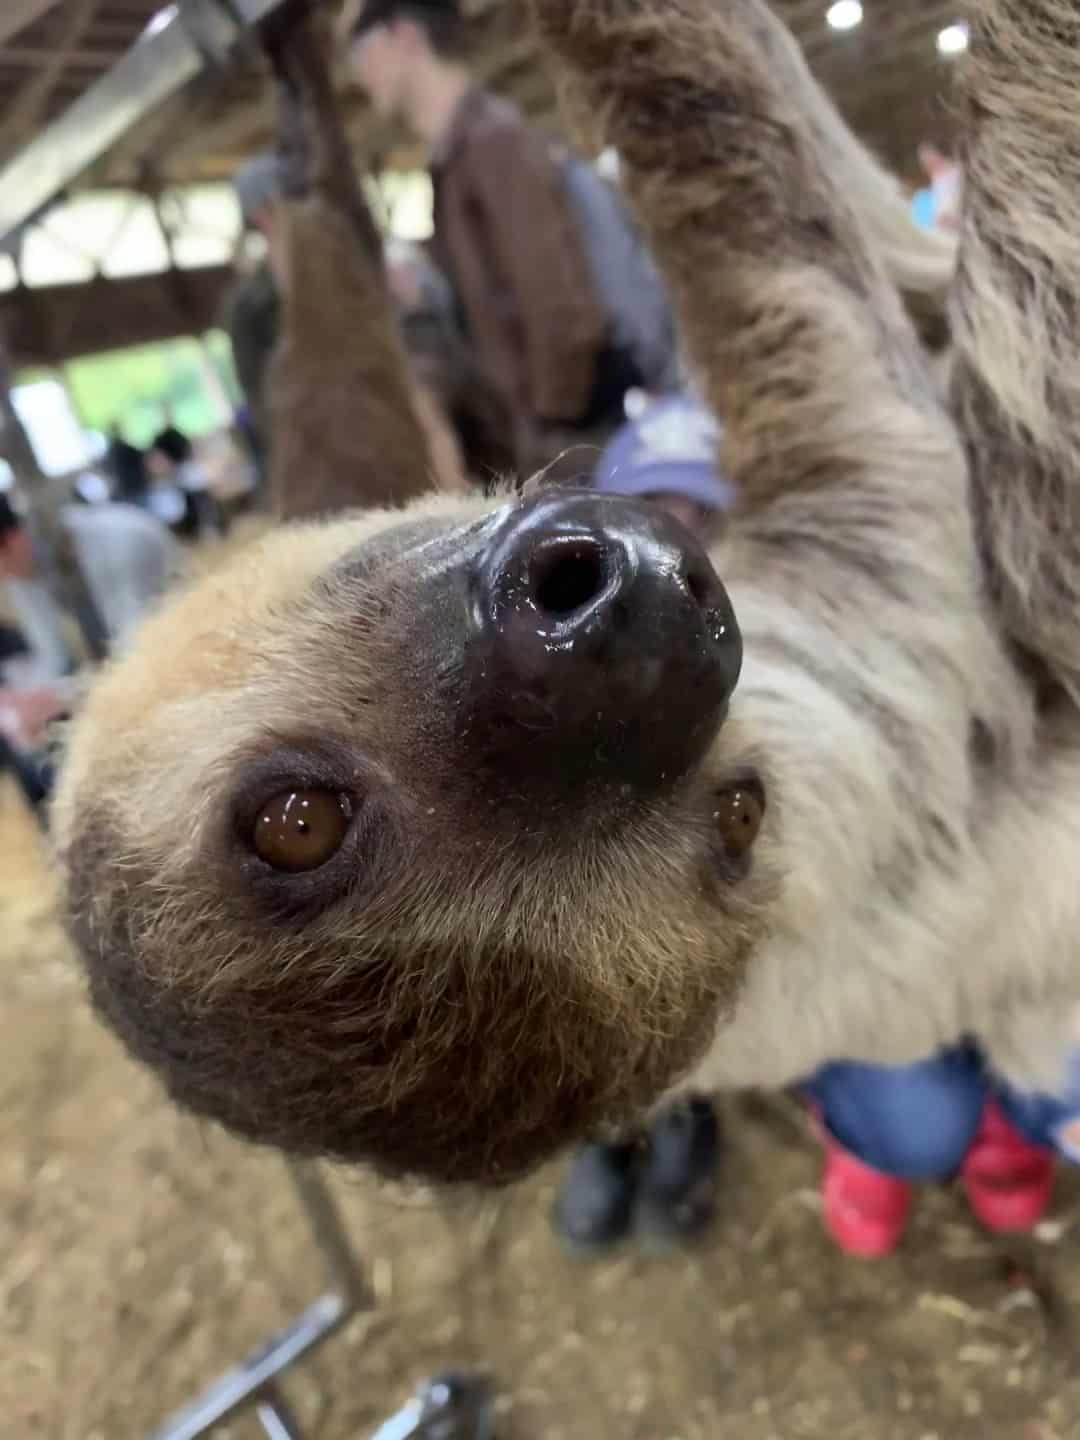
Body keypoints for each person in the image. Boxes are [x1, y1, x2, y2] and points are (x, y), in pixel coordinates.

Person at [344, 0, 639, 476]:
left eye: (361, 50)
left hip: (569, 443)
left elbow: (561, 306)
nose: (357, 75)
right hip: (545, 442)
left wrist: (542, 432)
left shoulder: (492, 140)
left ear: (405, 35)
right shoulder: (455, 160)